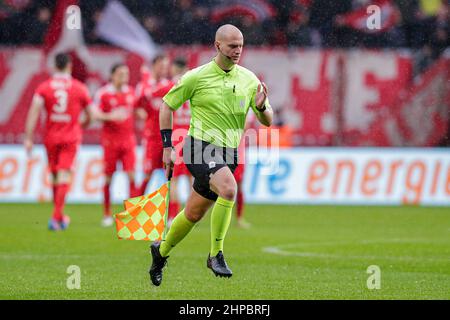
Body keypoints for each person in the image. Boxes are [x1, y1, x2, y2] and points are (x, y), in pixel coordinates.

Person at [149, 24, 273, 286]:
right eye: (232, 46)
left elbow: (267, 120)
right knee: (229, 188)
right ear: (218, 46)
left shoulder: (249, 79)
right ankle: (216, 253)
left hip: (228, 152)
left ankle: (160, 252)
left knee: (193, 214)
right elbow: (166, 106)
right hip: (199, 147)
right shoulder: (196, 76)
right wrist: (168, 147)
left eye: (240, 45)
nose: (238, 50)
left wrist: (261, 107)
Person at [23, 53, 92, 231]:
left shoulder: (44, 87)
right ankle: (56, 218)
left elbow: (34, 112)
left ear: (54, 66)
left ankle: (59, 217)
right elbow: (90, 113)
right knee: (63, 175)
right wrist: (82, 123)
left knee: (55, 175)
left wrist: (28, 138)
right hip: (70, 136)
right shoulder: (79, 87)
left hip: (51, 137)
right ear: (69, 66)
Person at [93, 63, 138, 227]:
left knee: (132, 176)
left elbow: (138, 110)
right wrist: (110, 116)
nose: (124, 77)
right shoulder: (103, 93)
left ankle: (132, 215)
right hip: (110, 142)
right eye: (120, 74)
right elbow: (95, 114)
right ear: (112, 75)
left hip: (128, 141)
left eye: (126, 73)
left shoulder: (131, 92)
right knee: (108, 178)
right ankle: (106, 214)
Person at [135, 54, 170, 195]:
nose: (164, 70)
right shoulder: (143, 85)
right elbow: (136, 106)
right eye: (162, 66)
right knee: (147, 174)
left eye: (166, 67)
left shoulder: (169, 86)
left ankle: (170, 215)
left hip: (168, 137)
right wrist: (145, 116)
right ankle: (136, 211)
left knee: (170, 175)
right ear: (154, 66)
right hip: (151, 137)